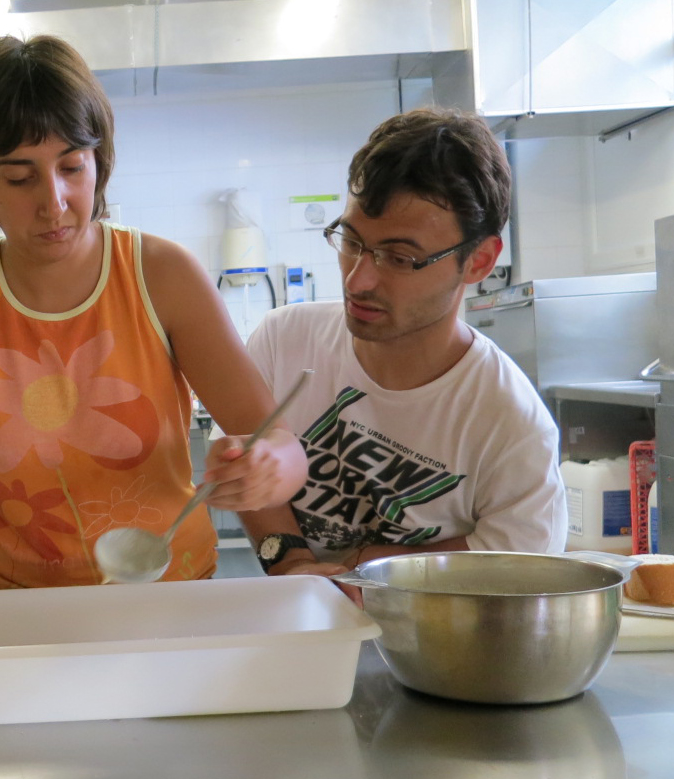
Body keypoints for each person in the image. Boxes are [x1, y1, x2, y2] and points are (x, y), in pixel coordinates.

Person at [0, 35, 309, 633]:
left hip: (166, 603)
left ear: (100, 159)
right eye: (20, 178)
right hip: (12, 614)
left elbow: (275, 438)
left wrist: (270, 464)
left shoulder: (161, 275)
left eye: (73, 166)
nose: (56, 202)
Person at [239, 108, 567, 585]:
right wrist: (291, 561)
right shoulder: (284, 341)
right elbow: (253, 476)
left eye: (399, 257)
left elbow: (516, 559)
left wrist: (353, 568)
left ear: (478, 261)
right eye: (351, 241)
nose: (358, 279)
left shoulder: (510, 422)